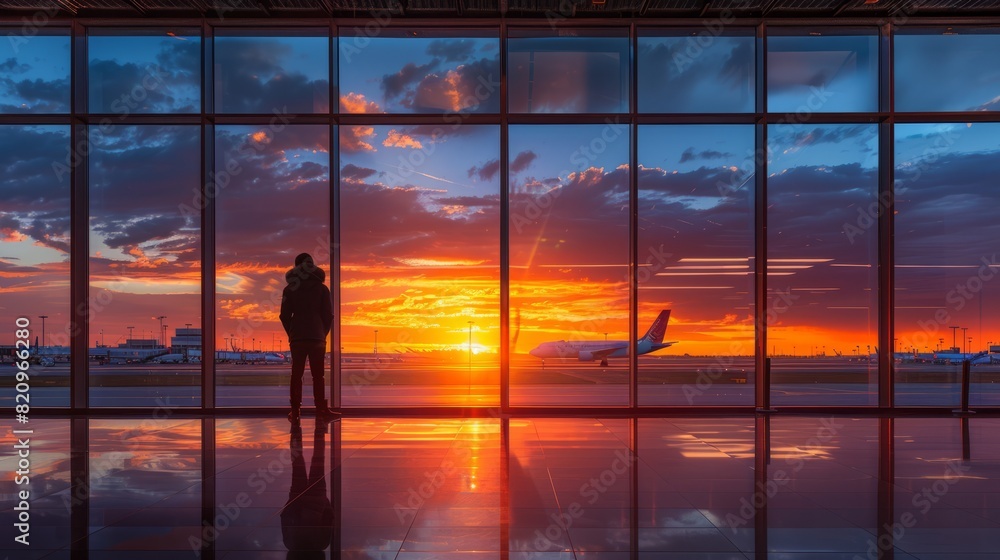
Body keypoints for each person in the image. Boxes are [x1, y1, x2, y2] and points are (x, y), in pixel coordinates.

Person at [280, 252, 336, 424]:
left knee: (296, 374)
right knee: (318, 376)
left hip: (298, 337)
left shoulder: (289, 289)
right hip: (317, 337)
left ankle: (295, 410)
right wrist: (321, 333)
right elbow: (329, 315)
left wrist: (293, 333)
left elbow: (284, 316)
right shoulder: (322, 288)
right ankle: (321, 409)